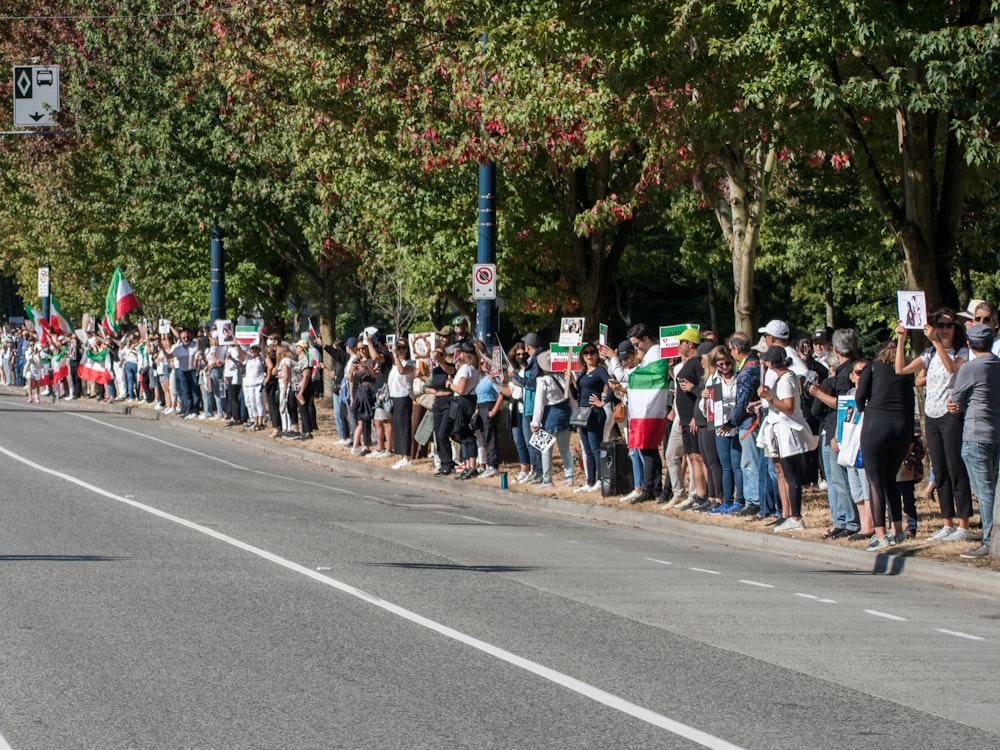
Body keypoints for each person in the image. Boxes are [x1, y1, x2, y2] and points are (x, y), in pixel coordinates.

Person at [895, 309, 971, 542]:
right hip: (932, 415)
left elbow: (952, 369)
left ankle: (963, 524)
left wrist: (936, 342)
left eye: (949, 325)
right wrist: (901, 339)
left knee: (955, 468)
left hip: (951, 415)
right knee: (939, 470)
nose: (945, 329)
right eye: (940, 324)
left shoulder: (962, 352)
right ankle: (946, 522)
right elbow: (901, 369)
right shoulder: (930, 353)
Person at [946, 324, 1000, 558]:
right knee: (995, 491)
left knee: (985, 491)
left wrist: (952, 405)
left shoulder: (970, 368)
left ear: (968, 344)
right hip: (997, 433)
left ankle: (989, 541)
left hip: (976, 433)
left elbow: (955, 401)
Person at [856, 340, 915, 550]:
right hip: (901, 427)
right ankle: (897, 529)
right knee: (891, 479)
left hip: (876, 425)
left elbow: (860, 398)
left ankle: (880, 534)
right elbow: (911, 404)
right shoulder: (907, 373)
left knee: (875, 481)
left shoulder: (872, 367)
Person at [807, 329, 863, 540]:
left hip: (838, 431)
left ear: (837, 348)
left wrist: (818, 393)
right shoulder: (848, 370)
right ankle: (841, 520)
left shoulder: (847, 373)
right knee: (835, 480)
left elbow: (843, 405)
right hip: (837, 429)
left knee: (840, 480)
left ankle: (850, 521)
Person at [756, 346, 819, 533]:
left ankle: (795, 516)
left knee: (791, 476)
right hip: (782, 429)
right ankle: (791, 515)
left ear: (770, 363)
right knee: (788, 474)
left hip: (787, 429)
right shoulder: (787, 376)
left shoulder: (785, 379)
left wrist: (768, 397)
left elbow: (788, 407)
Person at [626, 323, 671, 502]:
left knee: (648, 448)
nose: (636, 349)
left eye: (637, 344)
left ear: (646, 338)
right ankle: (653, 487)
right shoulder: (648, 355)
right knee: (647, 449)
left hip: (652, 407)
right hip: (645, 408)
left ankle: (651, 487)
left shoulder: (657, 353)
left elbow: (645, 375)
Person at [704, 345, 743, 514]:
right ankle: (727, 500)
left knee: (737, 464)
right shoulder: (712, 380)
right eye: (721, 364)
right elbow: (706, 407)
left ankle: (740, 499)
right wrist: (705, 398)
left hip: (736, 424)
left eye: (727, 364)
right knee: (725, 465)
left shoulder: (739, 377)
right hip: (720, 426)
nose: (725, 367)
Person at [569, 342, 610, 492]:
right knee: (587, 449)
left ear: (597, 354)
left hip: (594, 413)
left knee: (595, 448)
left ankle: (600, 480)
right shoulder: (583, 373)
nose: (589, 355)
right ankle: (590, 480)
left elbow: (611, 385)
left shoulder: (600, 371)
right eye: (586, 353)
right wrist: (570, 382)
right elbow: (576, 395)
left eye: (592, 352)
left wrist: (603, 402)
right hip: (582, 413)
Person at [530, 349, 573, 489]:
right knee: (565, 449)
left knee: (546, 449)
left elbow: (539, 403)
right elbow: (571, 398)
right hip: (565, 414)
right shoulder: (563, 377)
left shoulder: (543, 381)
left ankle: (547, 479)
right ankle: (569, 476)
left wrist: (535, 421)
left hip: (550, 415)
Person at [448, 342, 482, 480]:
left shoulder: (465, 369)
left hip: (463, 401)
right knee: (464, 434)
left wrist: (450, 384)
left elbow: (461, 389)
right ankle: (468, 464)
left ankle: (471, 465)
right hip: (470, 400)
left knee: (466, 434)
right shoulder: (474, 368)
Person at [513, 332, 543, 483]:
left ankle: (538, 471)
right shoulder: (534, 359)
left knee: (533, 442)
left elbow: (532, 383)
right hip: (528, 406)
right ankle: (535, 470)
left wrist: (516, 377)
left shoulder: (537, 360)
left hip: (533, 406)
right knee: (527, 442)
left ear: (527, 346)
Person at [474, 355, 504, 479]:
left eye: (485, 363)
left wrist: (494, 410)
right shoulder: (482, 379)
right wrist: (477, 410)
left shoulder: (493, 378)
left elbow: (501, 394)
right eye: (481, 363)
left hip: (489, 406)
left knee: (490, 436)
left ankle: (493, 465)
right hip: (481, 407)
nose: (483, 365)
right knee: (484, 436)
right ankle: (487, 463)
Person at [389, 338, 416, 468]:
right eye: (398, 347)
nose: (400, 350)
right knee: (397, 427)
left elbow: (402, 371)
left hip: (404, 396)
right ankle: (401, 454)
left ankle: (407, 456)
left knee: (404, 426)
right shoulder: (395, 364)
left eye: (403, 348)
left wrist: (395, 355)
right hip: (395, 397)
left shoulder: (409, 363)